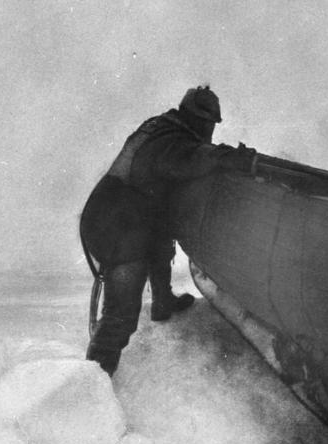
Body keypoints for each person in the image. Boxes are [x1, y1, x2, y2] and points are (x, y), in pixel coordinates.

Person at [79, 85, 257, 375]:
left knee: (160, 235)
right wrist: (230, 158)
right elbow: (190, 159)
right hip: (117, 225)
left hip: (121, 216)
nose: (210, 129)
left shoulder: (162, 128)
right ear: (197, 119)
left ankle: (163, 301)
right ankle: (93, 386)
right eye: (209, 123)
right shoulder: (171, 140)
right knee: (120, 317)